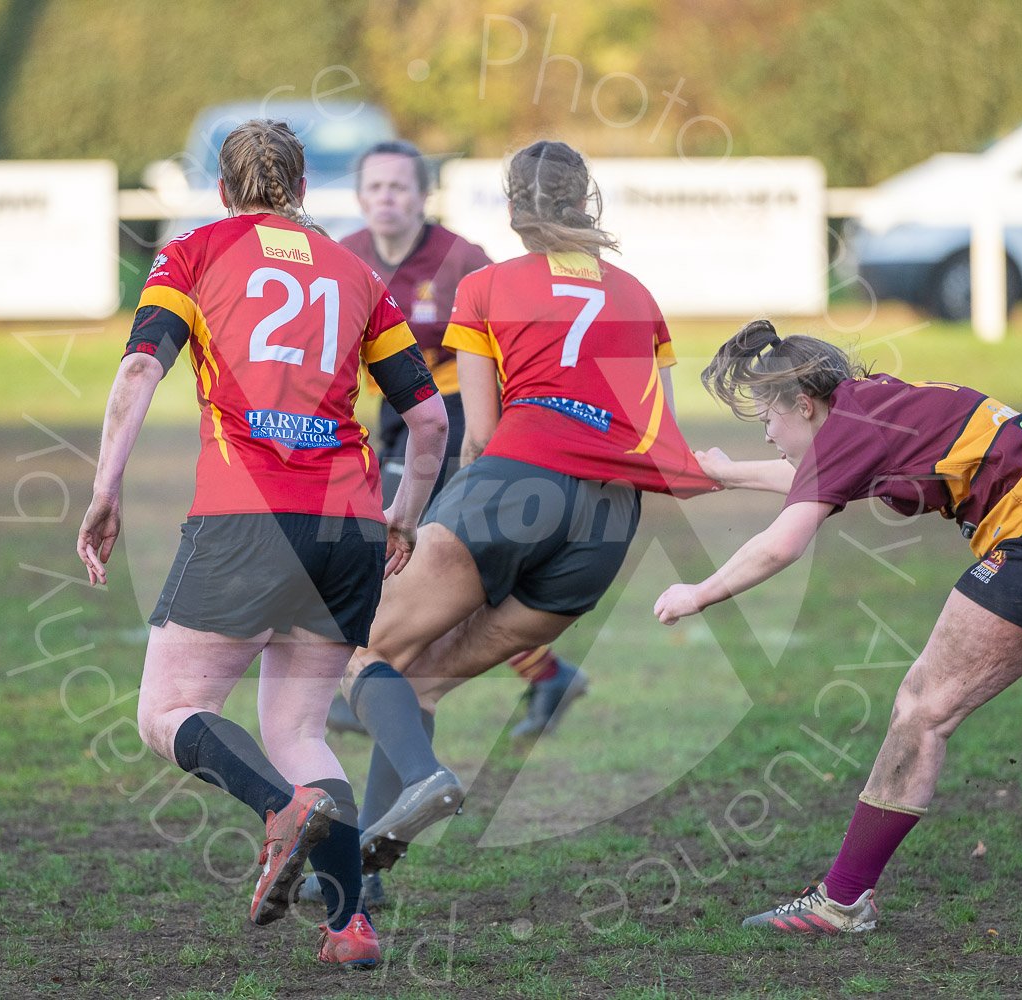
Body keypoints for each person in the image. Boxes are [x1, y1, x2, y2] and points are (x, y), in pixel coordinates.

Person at [653, 319, 1022, 934]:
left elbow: (781, 545)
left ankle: (842, 901)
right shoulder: (872, 406)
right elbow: (820, 476)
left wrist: (699, 591)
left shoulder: (849, 425)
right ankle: (844, 900)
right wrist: (727, 473)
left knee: (923, 708)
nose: (767, 433)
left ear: (804, 405)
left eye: (767, 417)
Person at [76, 119, 448, 969]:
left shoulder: (198, 251)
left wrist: (106, 488)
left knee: (166, 711)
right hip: (348, 524)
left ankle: (279, 810)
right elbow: (427, 418)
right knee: (301, 731)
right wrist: (404, 513)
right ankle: (351, 926)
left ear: (222, 189)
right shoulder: (357, 273)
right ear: (305, 189)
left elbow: (140, 369)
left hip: (249, 516)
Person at [336, 140, 719, 880]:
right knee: (420, 683)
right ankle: (365, 879)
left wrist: (444, 520)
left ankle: (422, 780)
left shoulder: (484, 286)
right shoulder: (641, 297)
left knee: (363, 646)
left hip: (514, 485)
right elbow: (654, 429)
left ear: (512, 210)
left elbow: (477, 434)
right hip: (608, 525)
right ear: (586, 204)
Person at [325, 140, 591, 748]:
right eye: (374, 187)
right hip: (393, 415)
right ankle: (545, 674)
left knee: (394, 549)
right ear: (361, 196)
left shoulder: (461, 258)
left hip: (451, 412)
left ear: (423, 196)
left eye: (399, 187)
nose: (386, 198)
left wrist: (490, 430)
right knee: (415, 560)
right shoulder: (347, 257)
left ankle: (381, 679)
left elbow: (509, 340)